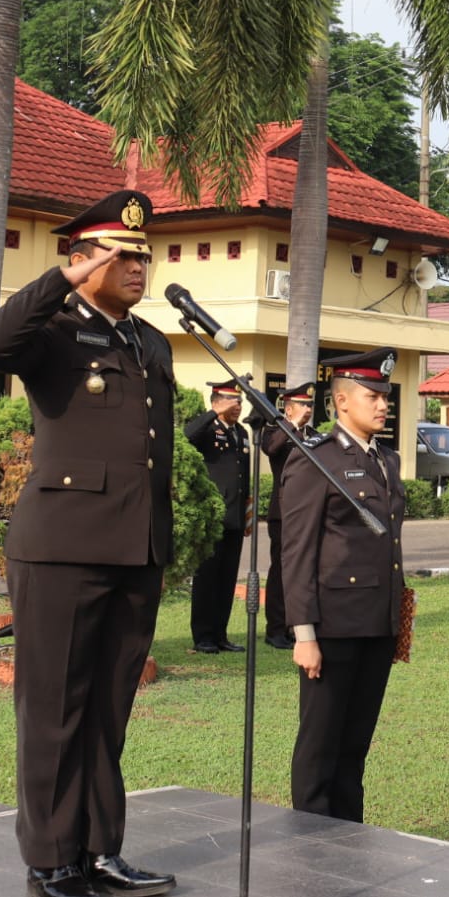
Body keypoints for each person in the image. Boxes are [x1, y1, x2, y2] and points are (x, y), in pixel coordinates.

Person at [0, 189, 178, 897]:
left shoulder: (150, 341)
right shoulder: (52, 329)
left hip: (134, 546)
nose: (138, 267)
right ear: (82, 259)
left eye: (143, 256)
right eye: (121, 256)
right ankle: (51, 859)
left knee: (106, 710)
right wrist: (61, 279)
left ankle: (99, 849)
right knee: (53, 708)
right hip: (61, 544)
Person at [281, 347, 407, 822]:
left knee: (354, 747)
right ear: (341, 401)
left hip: (376, 623)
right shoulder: (316, 459)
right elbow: (296, 552)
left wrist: (395, 618)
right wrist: (304, 634)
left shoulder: (387, 460)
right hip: (331, 628)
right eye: (371, 395)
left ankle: (348, 841)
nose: (382, 405)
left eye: (386, 397)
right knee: (320, 746)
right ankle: (310, 846)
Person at [187, 379, 252, 654]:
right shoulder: (206, 429)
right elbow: (187, 435)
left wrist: (247, 513)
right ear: (216, 402)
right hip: (212, 517)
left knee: (227, 579)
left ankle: (220, 634)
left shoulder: (241, 432)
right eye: (230, 402)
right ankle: (203, 636)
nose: (236, 407)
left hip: (235, 516)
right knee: (207, 578)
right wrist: (214, 413)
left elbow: (243, 476)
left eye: (239, 402)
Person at [260, 382, 318, 650]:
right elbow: (272, 449)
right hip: (283, 514)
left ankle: (299, 627)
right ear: (288, 408)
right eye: (303, 405)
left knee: (305, 573)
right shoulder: (275, 431)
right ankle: (276, 629)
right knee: (281, 573)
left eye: (310, 405)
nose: (308, 409)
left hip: (310, 514)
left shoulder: (315, 436)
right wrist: (291, 424)